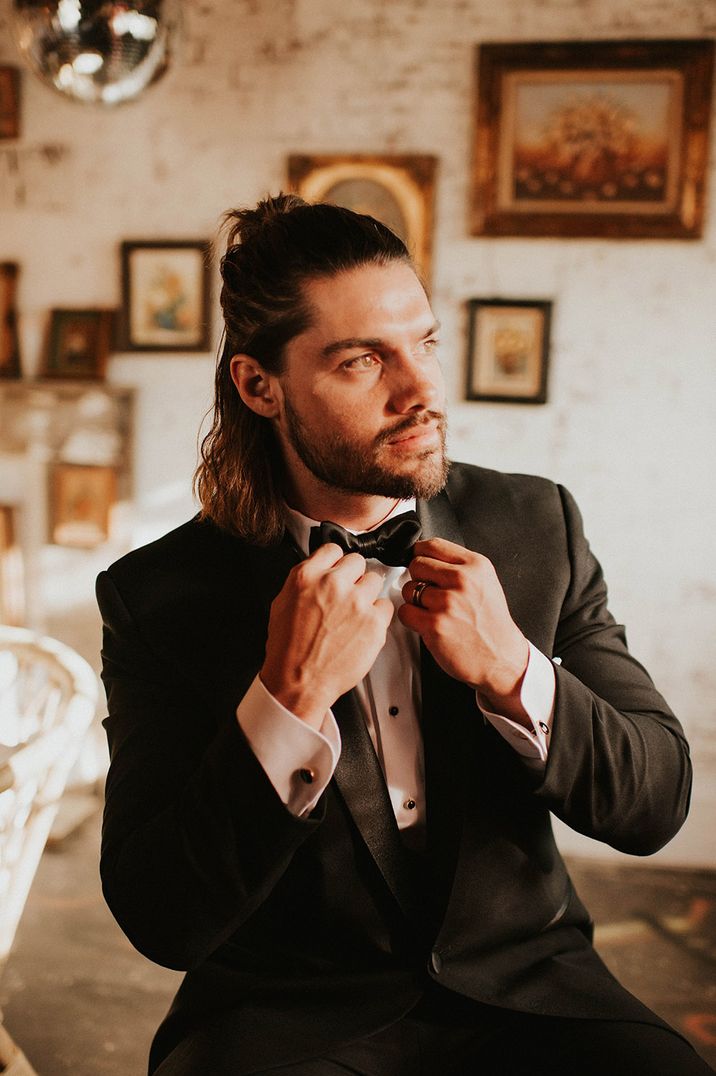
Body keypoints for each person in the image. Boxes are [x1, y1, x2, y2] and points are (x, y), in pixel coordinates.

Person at [96, 194, 712, 1076]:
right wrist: (288, 698)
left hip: (530, 990)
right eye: (361, 361)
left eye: (423, 342)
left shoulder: (537, 524)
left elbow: (655, 805)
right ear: (259, 385)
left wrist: (511, 670)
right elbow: (163, 916)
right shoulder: (156, 597)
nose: (421, 389)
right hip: (287, 1016)